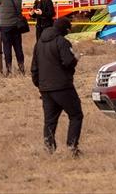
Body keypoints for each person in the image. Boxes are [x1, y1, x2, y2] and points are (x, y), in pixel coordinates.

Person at [32, 16, 83, 156]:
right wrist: (75, 59)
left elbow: (34, 68)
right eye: (68, 29)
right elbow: (67, 62)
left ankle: (49, 149)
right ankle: (72, 147)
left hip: (45, 88)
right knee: (76, 115)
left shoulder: (39, 43)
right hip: (63, 87)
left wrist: (40, 85)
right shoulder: (62, 42)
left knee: (49, 121)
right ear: (64, 29)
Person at [0, 0, 25, 75]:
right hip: (16, 25)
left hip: (5, 26)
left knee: (7, 48)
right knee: (18, 47)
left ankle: (9, 69)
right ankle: (21, 68)